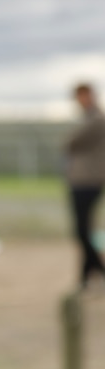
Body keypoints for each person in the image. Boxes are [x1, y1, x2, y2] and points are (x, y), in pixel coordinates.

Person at [63, 82, 105, 291]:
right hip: (81, 181)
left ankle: (97, 270)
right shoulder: (89, 118)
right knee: (83, 230)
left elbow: (71, 142)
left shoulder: (96, 118)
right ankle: (86, 276)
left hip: (87, 182)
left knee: (82, 230)